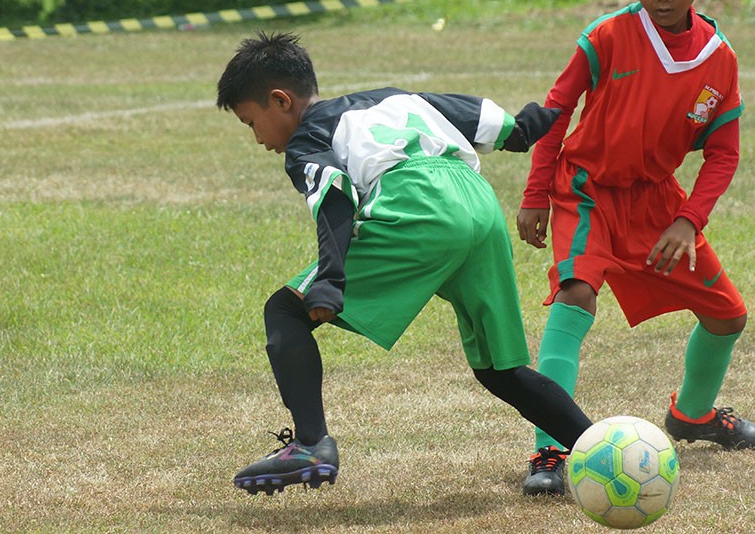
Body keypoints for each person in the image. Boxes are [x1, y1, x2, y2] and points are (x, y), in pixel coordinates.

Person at [216, 31, 594, 495]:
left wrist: (331, 280)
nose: (257, 139)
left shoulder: (310, 134)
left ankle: (312, 444)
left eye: (250, 123)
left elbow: (335, 196)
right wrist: (540, 119)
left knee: (284, 311)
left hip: (419, 205)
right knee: (501, 370)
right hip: (479, 206)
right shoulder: (397, 98)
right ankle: (604, 450)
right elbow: (498, 124)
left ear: (280, 101)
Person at [515, 0, 755, 497]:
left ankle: (693, 414)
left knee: (727, 314)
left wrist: (688, 220)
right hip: (585, 191)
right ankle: (551, 449)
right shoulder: (605, 37)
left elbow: (723, 153)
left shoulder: (719, 58)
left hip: (658, 203)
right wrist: (534, 194)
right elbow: (555, 115)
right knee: (574, 295)